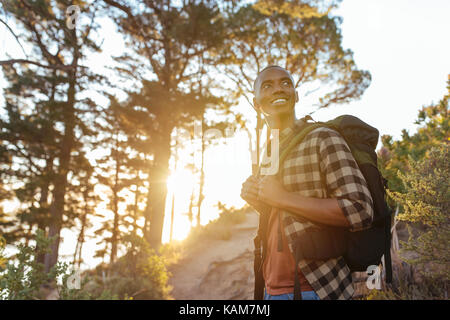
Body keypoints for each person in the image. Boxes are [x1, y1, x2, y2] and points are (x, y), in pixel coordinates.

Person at [241, 65, 374, 300]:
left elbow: (360, 209)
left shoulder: (323, 137)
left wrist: (281, 197)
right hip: (270, 288)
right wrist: (258, 199)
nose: (278, 89)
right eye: (267, 85)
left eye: (285, 83)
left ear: (296, 94)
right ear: (256, 103)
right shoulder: (269, 151)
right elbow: (282, 213)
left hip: (316, 288)